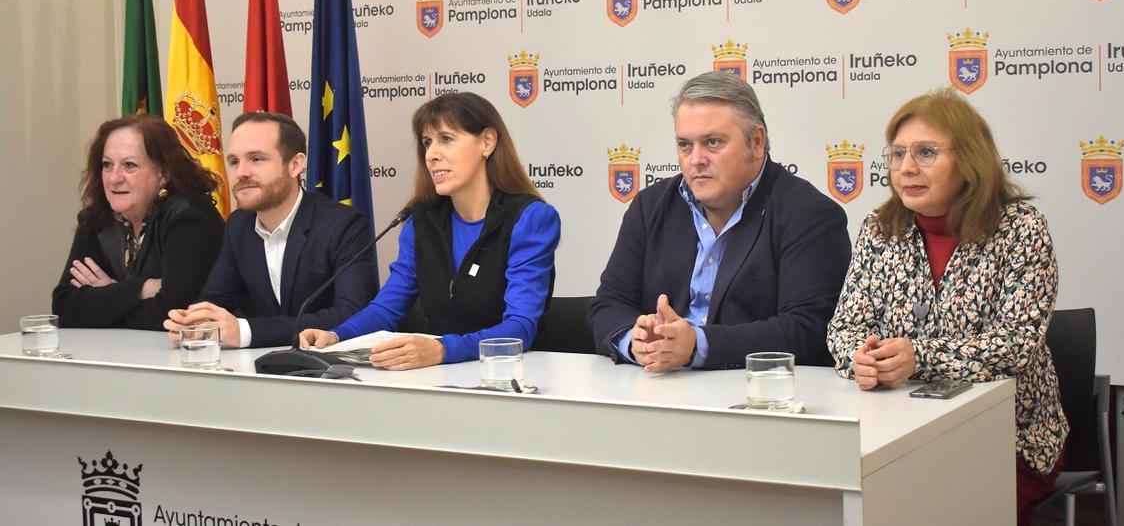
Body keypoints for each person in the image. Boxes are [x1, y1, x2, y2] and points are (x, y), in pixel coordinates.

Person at [825, 87, 1067, 525]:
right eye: (897, 154)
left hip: (1006, 435)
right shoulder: (881, 229)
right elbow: (843, 328)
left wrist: (919, 357)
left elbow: (1017, 345)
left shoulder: (1019, 229)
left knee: (924, 508)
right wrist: (859, 358)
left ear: (970, 160)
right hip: (896, 430)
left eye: (926, 153)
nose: (907, 168)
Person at [588, 71, 851, 371]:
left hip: (755, 399)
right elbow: (608, 305)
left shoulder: (809, 215)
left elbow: (808, 329)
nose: (696, 159)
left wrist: (698, 345)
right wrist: (635, 342)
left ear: (756, 141)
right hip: (656, 389)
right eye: (685, 145)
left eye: (712, 142)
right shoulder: (651, 206)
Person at [299, 92, 561, 370]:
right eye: (427, 143)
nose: (432, 155)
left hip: (509, 374)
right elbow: (387, 308)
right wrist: (337, 335)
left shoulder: (529, 219)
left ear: (487, 142)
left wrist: (442, 349)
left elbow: (520, 327)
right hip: (437, 377)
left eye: (446, 139)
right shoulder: (420, 220)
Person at [164, 112, 377, 348]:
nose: (241, 172)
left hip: (331, 371)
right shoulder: (239, 225)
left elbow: (352, 313)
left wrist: (246, 332)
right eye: (234, 161)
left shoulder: (343, 225)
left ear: (295, 165)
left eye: (256, 159)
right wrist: (195, 322)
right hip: (262, 369)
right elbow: (217, 298)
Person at [52, 115, 225, 330]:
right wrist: (142, 289)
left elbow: (177, 312)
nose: (114, 178)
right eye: (107, 165)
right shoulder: (97, 219)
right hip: (119, 354)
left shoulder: (189, 216)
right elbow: (64, 308)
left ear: (163, 172)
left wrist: (108, 297)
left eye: (129, 165)